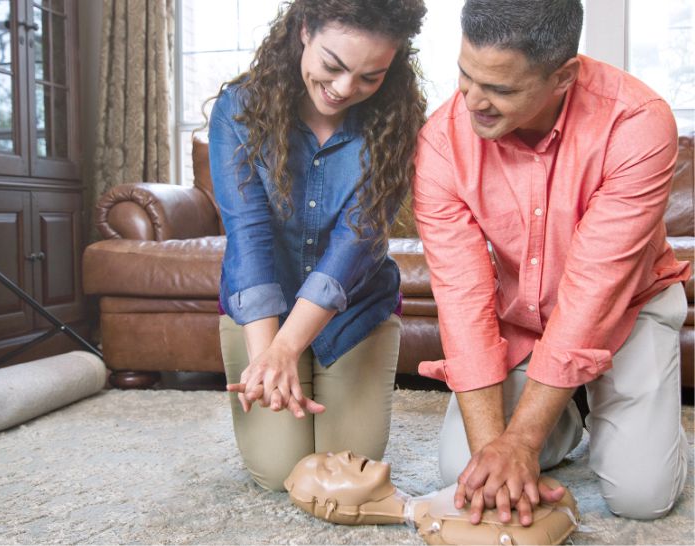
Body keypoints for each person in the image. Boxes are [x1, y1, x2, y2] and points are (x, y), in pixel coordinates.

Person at [412, 0, 690, 526]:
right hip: (525, 318)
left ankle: (625, 414)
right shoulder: (442, 142)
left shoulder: (636, 123)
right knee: (463, 470)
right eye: (466, 75)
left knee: (641, 496)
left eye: (499, 88)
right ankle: (569, 413)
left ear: (563, 76)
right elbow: (463, 301)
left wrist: (522, 441)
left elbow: (594, 293)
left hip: (628, 307)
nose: (472, 101)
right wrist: (496, 453)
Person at [208, 0, 427, 491]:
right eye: (333, 65)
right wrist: (268, 358)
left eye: (370, 76)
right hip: (262, 312)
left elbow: (356, 242)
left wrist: (291, 346)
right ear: (305, 29)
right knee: (277, 472)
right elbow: (248, 235)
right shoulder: (238, 109)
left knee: (343, 470)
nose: (345, 88)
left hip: (354, 310)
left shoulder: (397, 122)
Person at [284, 451, 580, 545]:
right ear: (331, 508)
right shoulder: (439, 527)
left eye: (332, 453)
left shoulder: (436, 513)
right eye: (329, 467)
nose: (345, 454)